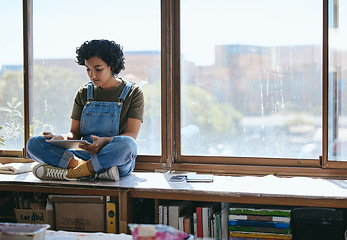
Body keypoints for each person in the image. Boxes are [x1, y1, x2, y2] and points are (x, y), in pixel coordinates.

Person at [26, 39, 144, 181]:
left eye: (98, 69)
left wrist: (104, 141)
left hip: (114, 159)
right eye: (88, 69)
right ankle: (86, 168)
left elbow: (131, 135)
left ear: (112, 66)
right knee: (33, 144)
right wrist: (61, 139)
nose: (92, 75)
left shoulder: (133, 93)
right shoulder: (84, 93)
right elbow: (74, 133)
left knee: (127, 144)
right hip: (83, 154)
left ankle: (74, 171)